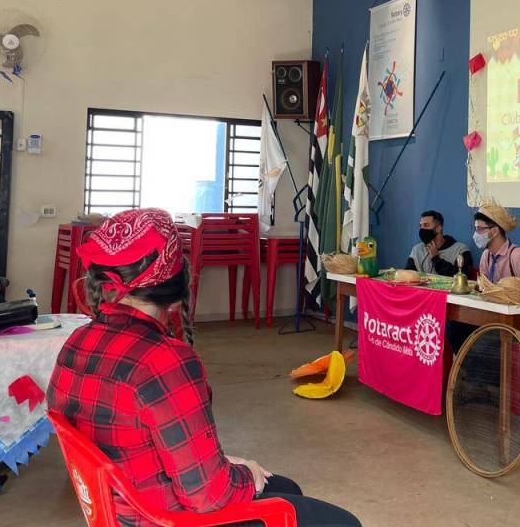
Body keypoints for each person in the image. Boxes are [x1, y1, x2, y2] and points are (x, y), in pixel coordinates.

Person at [47, 208, 360, 527]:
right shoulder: (164, 360)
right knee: (342, 523)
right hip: (165, 518)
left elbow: (136, 442)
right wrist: (244, 475)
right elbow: (209, 496)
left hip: (120, 507)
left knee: (286, 487)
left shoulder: (77, 341)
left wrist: (226, 465)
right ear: (177, 290)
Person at [473, 200, 520, 282]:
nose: (476, 234)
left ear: (494, 231)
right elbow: (484, 286)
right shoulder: (486, 255)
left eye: (479, 229)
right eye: (476, 229)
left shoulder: (518, 257)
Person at [406, 210, 472, 277]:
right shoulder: (416, 250)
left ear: (438, 228)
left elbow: (465, 277)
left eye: (426, 225)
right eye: (420, 226)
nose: (422, 229)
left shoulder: (460, 250)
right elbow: (408, 275)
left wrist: (436, 259)